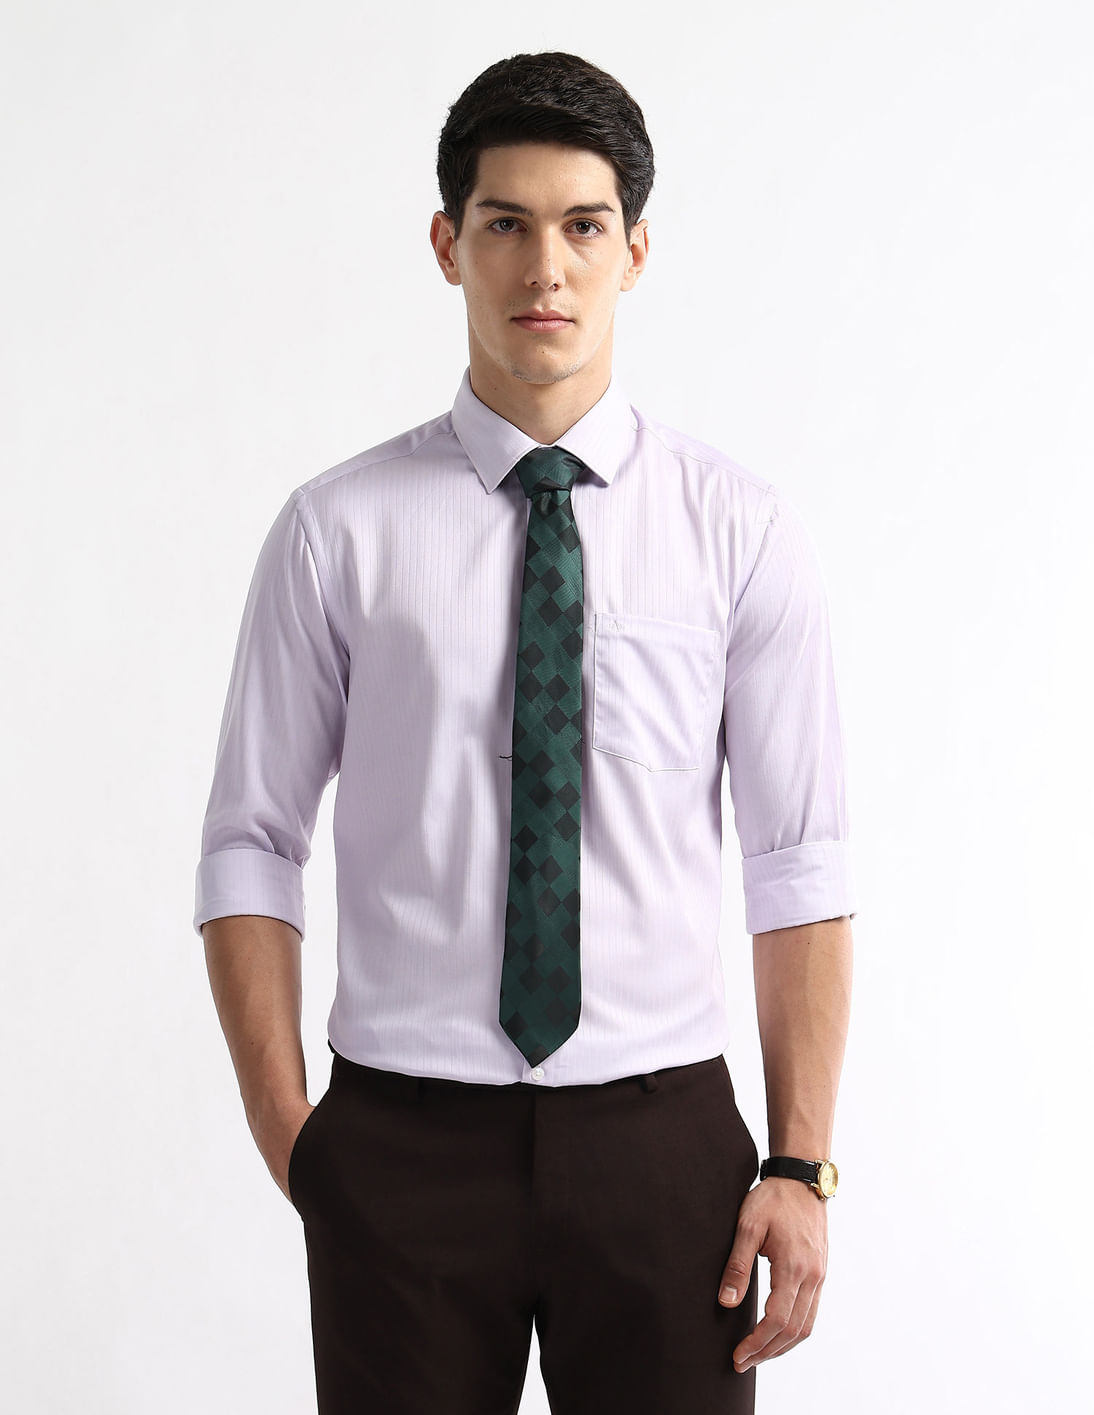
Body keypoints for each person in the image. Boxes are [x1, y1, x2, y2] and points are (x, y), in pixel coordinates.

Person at [194, 49, 856, 1415]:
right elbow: (252, 843)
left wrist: (798, 1164)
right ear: (448, 244)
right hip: (401, 1143)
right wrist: (293, 1133)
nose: (544, 268)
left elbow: (798, 862)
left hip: (663, 1142)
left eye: (582, 226)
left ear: (634, 252)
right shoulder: (336, 532)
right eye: (505, 224)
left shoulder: (736, 531)